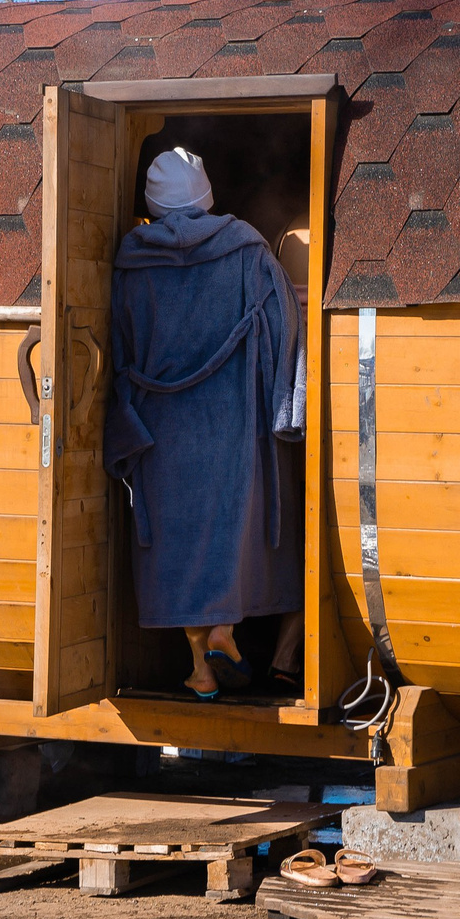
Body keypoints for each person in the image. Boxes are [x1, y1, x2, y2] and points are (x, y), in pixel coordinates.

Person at [105, 147, 306, 698]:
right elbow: (285, 323)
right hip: (230, 424)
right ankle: (223, 629)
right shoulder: (247, 252)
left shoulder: (129, 262)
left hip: (160, 430)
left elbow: (117, 347)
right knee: (227, 536)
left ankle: (200, 666)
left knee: (178, 545)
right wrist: (287, 408)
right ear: (207, 194)